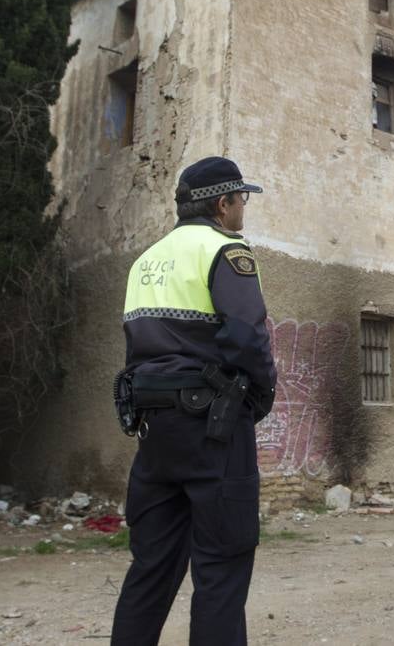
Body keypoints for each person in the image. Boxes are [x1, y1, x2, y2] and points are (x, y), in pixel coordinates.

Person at [110, 157, 278, 645]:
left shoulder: (146, 259)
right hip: (213, 427)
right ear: (223, 204)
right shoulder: (226, 250)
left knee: (151, 567)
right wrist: (262, 395)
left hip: (154, 430)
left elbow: (135, 346)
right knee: (221, 568)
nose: (243, 208)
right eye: (241, 199)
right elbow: (247, 336)